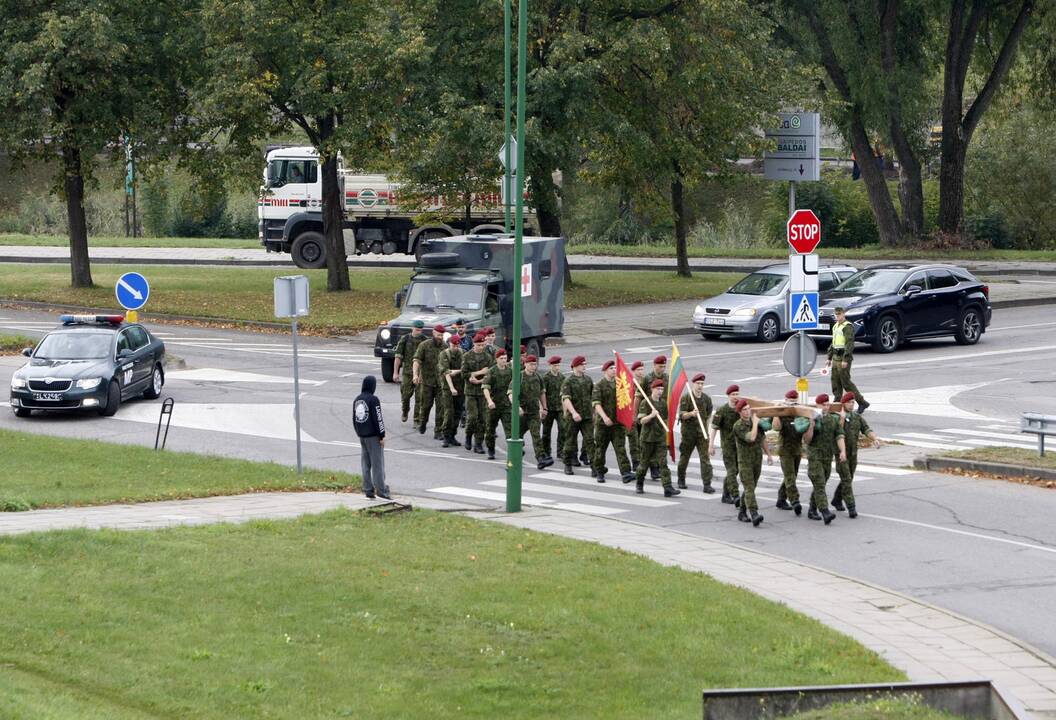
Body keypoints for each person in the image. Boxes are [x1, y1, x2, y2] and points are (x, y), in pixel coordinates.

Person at [832, 391, 880, 518]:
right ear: (843, 403)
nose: (852, 404)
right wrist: (842, 418)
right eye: (849, 402)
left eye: (853, 402)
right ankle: (851, 507)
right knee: (846, 479)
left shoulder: (856, 417)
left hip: (853, 453)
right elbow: (837, 431)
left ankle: (837, 499)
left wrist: (874, 438)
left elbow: (866, 429)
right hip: (841, 454)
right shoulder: (836, 416)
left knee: (848, 478)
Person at [804, 393, 846, 525]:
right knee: (820, 483)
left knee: (821, 483)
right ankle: (825, 511)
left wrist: (843, 451)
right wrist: (810, 426)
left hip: (827, 456)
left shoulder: (832, 419)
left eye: (827, 404)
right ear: (817, 405)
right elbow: (807, 440)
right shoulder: (811, 418)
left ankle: (812, 509)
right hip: (815, 455)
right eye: (823, 405)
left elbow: (839, 435)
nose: (826, 407)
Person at [634, 379, 679, 497]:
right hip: (647, 438)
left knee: (663, 463)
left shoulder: (663, 404)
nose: (660, 391)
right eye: (658, 389)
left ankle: (667, 487)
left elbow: (665, 420)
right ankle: (639, 483)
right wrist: (651, 415)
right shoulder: (645, 402)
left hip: (660, 438)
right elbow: (641, 421)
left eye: (662, 389)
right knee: (644, 463)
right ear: (652, 389)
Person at [591, 359, 634, 484]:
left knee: (620, 448)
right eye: (611, 368)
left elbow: (626, 401)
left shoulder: (620, 384)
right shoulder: (599, 385)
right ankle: (599, 471)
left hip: (618, 423)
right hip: (603, 424)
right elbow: (596, 403)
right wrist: (604, 417)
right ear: (605, 370)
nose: (614, 370)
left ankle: (626, 472)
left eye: (615, 368)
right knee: (600, 449)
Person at [732, 398, 773, 526]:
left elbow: (761, 439)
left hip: (756, 459)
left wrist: (769, 454)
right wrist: (755, 423)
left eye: (749, 408)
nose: (748, 411)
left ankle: (742, 512)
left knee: (751, 487)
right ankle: (754, 513)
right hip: (745, 461)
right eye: (744, 410)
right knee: (749, 487)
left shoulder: (754, 422)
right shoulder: (738, 426)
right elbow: (751, 437)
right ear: (740, 412)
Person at [772, 389, 812, 516]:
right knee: (790, 477)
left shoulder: (799, 414)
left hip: (796, 449)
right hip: (785, 450)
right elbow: (776, 427)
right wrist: (776, 413)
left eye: (795, 402)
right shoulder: (782, 414)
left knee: (792, 476)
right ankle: (795, 501)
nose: (792, 405)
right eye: (791, 402)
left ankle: (781, 499)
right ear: (786, 400)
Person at [353, 375, 390, 500]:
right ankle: (382, 490)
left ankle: (368, 489)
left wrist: (358, 432)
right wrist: (382, 435)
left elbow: (355, 419)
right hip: (373, 436)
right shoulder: (373, 399)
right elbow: (378, 418)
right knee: (377, 464)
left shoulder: (357, 399)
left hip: (362, 436)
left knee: (365, 464)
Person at [826, 307, 870, 412]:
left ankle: (862, 402)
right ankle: (837, 403)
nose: (838, 316)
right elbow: (834, 343)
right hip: (836, 357)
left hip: (843, 357)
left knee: (846, 383)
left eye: (839, 314)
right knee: (835, 382)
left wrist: (845, 359)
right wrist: (829, 357)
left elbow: (849, 343)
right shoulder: (836, 326)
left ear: (843, 314)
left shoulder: (847, 326)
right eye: (836, 315)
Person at [677, 373, 714, 492]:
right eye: (698, 383)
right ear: (693, 384)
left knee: (705, 459)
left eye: (702, 384)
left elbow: (708, 415)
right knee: (685, 457)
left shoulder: (706, 399)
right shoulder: (686, 398)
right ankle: (681, 479)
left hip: (701, 433)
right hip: (689, 433)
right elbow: (681, 415)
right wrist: (691, 414)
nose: (700, 386)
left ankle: (707, 484)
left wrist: (706, 431)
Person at [561, 355, 595, 476]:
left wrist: (594, 413)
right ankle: (568, 464)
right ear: (576, 366)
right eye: (582, 364)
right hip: (573, 417)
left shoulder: (588, 380)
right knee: (570, 441)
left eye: (585, 364)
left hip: (587, 416)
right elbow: (566, 399)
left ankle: (594, 466)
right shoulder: (568, 381)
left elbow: (593, 397)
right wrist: (574, 412)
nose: (584, 366)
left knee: (590, 441)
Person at [517, 354, 553, 470]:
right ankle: (515, 454)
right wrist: (517, 407)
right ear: (525, 364)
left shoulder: (538, 377)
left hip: (533, 413)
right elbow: (511, 393)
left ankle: (541, 458)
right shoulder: (519, 377)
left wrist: (544, 408)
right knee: (517, 435)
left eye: (535, 364)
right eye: (531, 364)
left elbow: (542, 393)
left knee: (536, 435)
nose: (533, 366)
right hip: (521, 413)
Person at [709, 384, 742, 505]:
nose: (735, 396)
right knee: (732, 471)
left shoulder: (741, 409)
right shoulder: (722, 410)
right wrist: (711, 445)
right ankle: (735, 495)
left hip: (740, 446)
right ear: (728, 396)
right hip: (727, 446)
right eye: (733, 394)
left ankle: (725, 494)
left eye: (737, 394)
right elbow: (714, 428)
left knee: (736, 471)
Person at [461, 332, 492, 454]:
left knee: (482, 419)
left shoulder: (488, 357)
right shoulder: (467, 356)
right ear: (474, 344)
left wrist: (481, 380)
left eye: (482, 345)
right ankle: (468, 435)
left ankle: (478, 443)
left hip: (482, 391)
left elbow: (490, 372)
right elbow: (464, 373)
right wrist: (477, 374)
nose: (481, 347)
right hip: (470, 391)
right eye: (478, 345)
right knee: (472, 417)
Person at [412, 324, 446, 436]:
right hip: (427, 382)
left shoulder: (445, 347)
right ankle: (423, 422)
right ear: (433, 333)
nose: (439, 337)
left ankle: (438, 431)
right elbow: (416, 360)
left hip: (441, 383)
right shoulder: (424, 345)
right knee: (426, 406)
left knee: (441, 407)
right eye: (438, 334)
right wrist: (415, 375)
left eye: (441, 335)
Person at [393, 320, 426, 422]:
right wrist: (395, 372)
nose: (418, 332)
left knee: (419, 398)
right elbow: (398, 357)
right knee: (405, 395)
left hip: (420, 374)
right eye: (417, 329)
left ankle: (416, 419)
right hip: (407, 372)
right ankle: (405, 410)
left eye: (420, 330)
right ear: (412, 328)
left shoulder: (425, 341)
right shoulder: (405, 339)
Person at [483, 349, 513, 460]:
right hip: (494, 405)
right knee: (490, 429)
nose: (504, 360)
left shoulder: (510, 371)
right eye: (501, 358)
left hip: (506, 405)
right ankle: (491, 449)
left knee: (509, 429)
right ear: (496, 359)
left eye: (505, 358)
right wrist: (490, 401)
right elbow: (485, 387)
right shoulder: (492, 371)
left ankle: (512, 451)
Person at [438, 335, 464, 448]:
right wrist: (452, 388)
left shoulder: (462, 353)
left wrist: (456, 371)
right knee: (449, 412)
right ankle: (446, 435)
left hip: (460, 387)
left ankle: (453, 435)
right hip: (448, 388)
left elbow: (465, 368)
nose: (455, 347)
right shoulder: (444, 354)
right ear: (449, 344)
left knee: (458, 412)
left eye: (457, 345)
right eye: (453, 345)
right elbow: (446, 372)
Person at [541, 356, 565, 461]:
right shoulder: (546, 378)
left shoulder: (562, 378)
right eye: (555, 365)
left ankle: (561, 451)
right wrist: (543, 407)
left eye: (558, 365)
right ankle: (546, 451)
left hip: (559, 408)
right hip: (549, 408)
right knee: (546, 431)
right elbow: (542, 393)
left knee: (563, 428)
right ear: (551, 366)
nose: (557, 367)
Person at [627, 360, 646, 471]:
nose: (641, 372)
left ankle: (643, 461)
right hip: (632, 415)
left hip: (643, 414)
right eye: (638, 370)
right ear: (633, 371)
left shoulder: (645, 381)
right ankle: (635, 462)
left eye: (642, 369)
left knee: (643, 439)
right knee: (633, 440)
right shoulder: (629, 382)